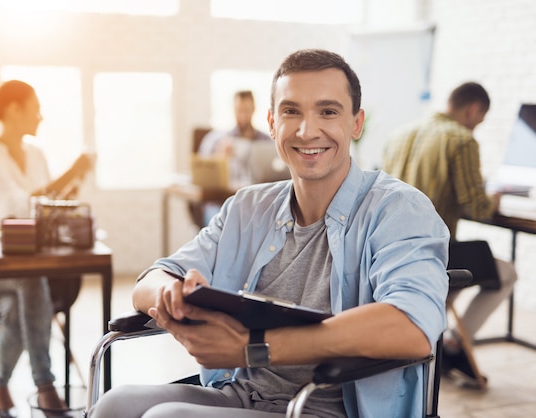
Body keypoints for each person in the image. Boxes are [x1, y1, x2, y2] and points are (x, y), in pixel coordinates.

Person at [91, 49, 449, 418]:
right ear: (272, 123)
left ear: (356, 124)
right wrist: (171, 294)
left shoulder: (399, 209)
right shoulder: (247, 208)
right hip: (242, 394)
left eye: (328, 111)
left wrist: (252, 349)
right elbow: (151, 279)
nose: (307, 130)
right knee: (114, 405)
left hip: (333, 409)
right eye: (291, 111)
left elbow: (411, 326)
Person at [0, 80, 93, 418]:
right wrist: (68, 174)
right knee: (30, 280)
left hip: (25, 277)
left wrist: (69, 190)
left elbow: (45, 210)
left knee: (17, 305)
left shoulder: (36, 154)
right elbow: (14, 209)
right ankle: (45, 386)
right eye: (36, 109)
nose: (41, 117)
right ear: (14, 111)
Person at [383, 82, 518, 387]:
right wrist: (492, 199)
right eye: (480, 119)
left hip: (393, 247)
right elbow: (476, 205)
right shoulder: (462, 140)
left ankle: (430, 339)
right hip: (433, 251)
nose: (478, 125)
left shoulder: (400, 134)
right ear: (473, 110)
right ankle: (456, 346)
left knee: (457, 274)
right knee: (507, 273)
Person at [197, 90, 272, 225]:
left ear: (254, 109)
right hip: (221, 203)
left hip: (255, 203)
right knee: (222, 225)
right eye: (239, 110)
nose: (243, 115)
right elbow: (202, 173)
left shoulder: (266, 142)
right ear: (233, 110)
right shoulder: (216, 140)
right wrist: (220, 158)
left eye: (247, 110)